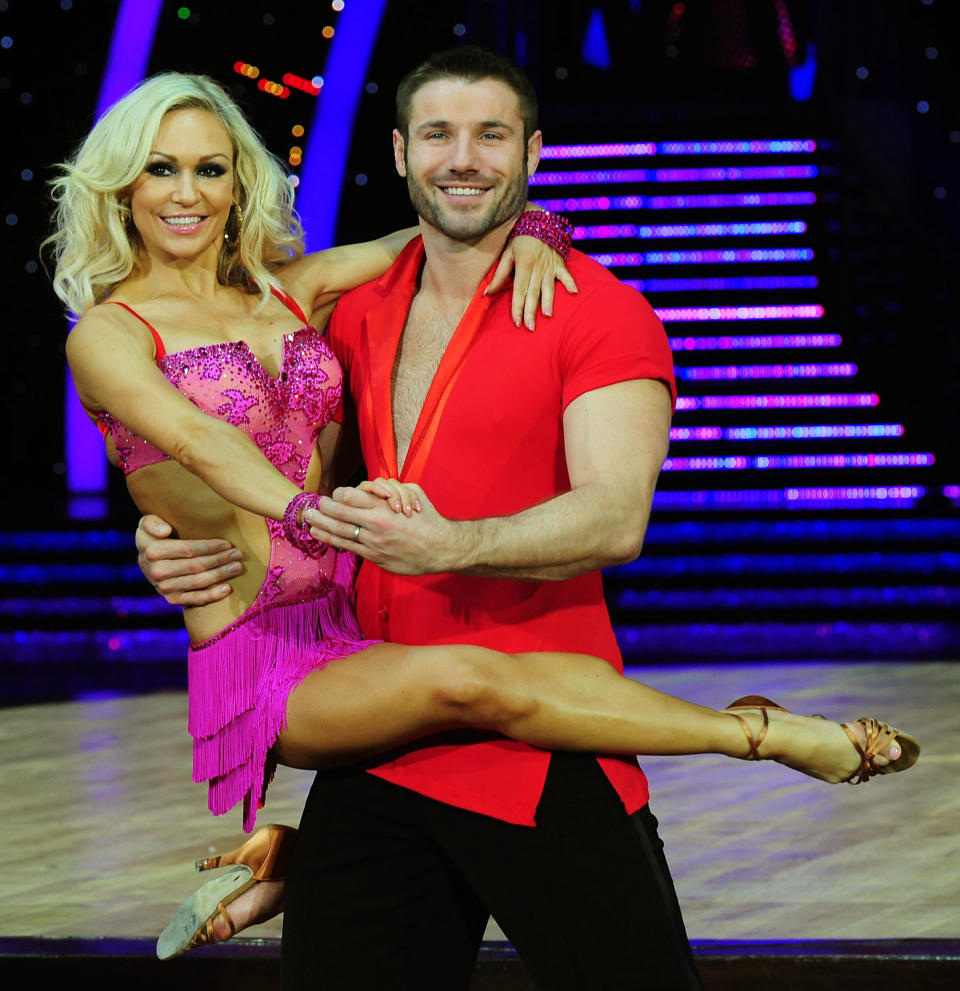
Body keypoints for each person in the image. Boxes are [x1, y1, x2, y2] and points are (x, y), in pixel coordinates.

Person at [130, 49, 918, 990]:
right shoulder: (342, 309)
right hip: (377, 744)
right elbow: (278, 478)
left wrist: (452, 543)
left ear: (532, 152)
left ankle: (756, 729)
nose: (463, 158)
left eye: (491, 135)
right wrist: (172, 545)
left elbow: (616, 519)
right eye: (439, 135)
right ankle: (297, 859)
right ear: (398, 151)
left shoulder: (600, 312)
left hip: (544, 746)